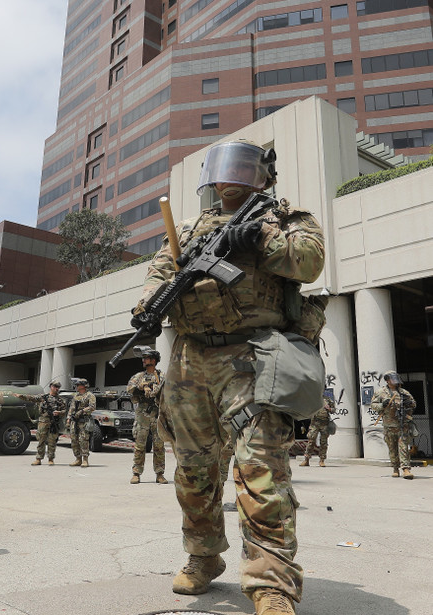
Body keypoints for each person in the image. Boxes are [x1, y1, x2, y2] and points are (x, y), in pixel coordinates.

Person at [131, 140, 325, 615]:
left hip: (254, 355)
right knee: (193, 469)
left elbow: (310, 262)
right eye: (223, 169)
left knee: (260, 468)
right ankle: (203, 556)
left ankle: (271, 584)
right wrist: (149, 306)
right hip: (190, 359)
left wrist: (260, 238)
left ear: (264, 175)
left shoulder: (286, 217)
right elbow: (159, 271)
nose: (229, 178)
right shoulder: (188, 228)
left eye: (242, 168)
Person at [126, 346, 168, 484]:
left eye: (146, 358)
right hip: (142, 414)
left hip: (157, 414)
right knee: (140, 444)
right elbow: (129, 388)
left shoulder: (162, 376)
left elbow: (169, 391)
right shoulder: (138, 376)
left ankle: (160, 473)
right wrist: (141, 387)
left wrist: (157, 390)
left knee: (159, 445)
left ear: (154, 360)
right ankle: (136, 473)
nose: (143, 360)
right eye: (143, 358)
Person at [371, 371, 416, 479]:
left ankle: (406, 469)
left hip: (402, 425)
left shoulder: (403, 392)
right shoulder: (381, 392)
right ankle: (395, 468)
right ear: (387, 381)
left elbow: (413, 403)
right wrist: (382, 405)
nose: (394, 382)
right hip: (389, 426)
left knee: (403, 447)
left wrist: (409, 403)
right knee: (392, 448)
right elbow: (373, 404)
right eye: (392, 379)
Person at [15, 380, 66, 466]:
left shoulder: (60, 400)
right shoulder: (43, 397)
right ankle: (38, 459)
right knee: (41, 441)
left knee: (52, 441)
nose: (56, 388)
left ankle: (50, 459)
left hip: (54, 423)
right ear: (51, 387)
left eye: (58, 387)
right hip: (43, 422)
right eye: (55, 386)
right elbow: (31, 398)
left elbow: (64, 411)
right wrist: (20, 396)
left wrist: (59, 412)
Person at [299, 393, 336, 467]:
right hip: (314, 423)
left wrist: (329, 409)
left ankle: (322, 460)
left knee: (323, 442)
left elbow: (333, 410)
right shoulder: (313, 399)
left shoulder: (328, 399)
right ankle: (306, 459)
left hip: (324, 424)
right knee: (311, 440)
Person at [67, 378, 95, 467]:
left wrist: (82, 411)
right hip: (75, 421)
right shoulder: (76, 396)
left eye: (78, 385)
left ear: (83, 386)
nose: (77, 386)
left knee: (83, 440)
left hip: (84, 421)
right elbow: (71, 408)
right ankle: (78, 459)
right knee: (74, 440)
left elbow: (92, 407)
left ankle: (85, 459)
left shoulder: (90, 395)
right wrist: (68, 418)